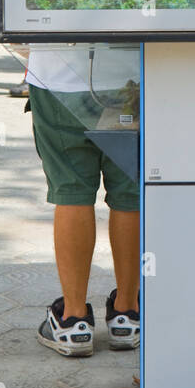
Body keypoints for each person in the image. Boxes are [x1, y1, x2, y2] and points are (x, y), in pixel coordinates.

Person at [25, 47, 141, 358]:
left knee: (71, 191)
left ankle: (73, 319)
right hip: (132, 76)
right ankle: (126, 314)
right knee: (130, 194)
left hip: (57, 78)